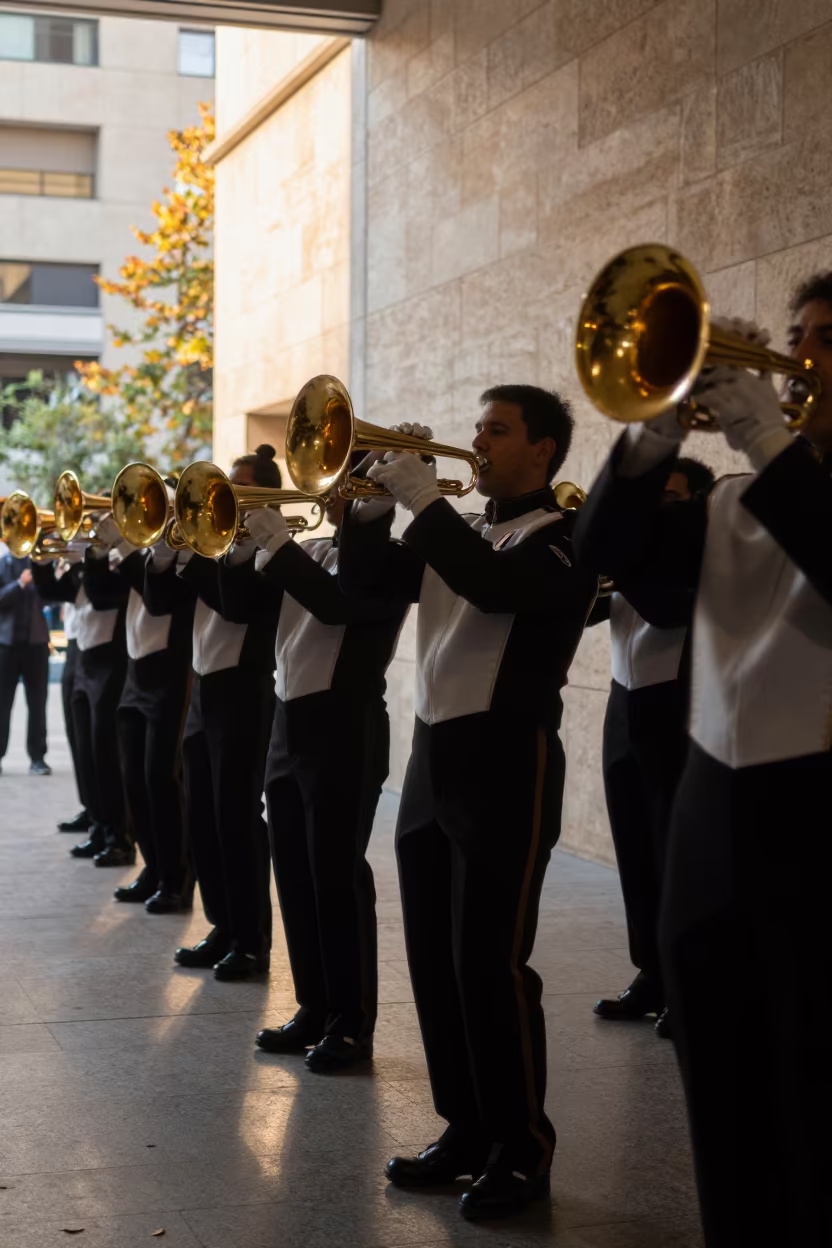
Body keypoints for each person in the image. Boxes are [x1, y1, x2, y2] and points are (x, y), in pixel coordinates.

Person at [573, 295, 832, 1248]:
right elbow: (599, 552)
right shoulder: (727, 499)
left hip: (816, 829)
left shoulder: (773, 475)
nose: (800, 356)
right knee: (722, 1101)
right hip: (711, 823)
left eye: (826, 340)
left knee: (813, 1101)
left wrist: (766, 434)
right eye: (794, 338)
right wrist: (647, 443)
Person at [338, 387, 597, 1220]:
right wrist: (375, 507)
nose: (477, 440)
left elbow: (491, 589)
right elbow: (370, 586)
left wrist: (419, 499)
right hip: (432, 758)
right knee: (434, 960)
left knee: (490, 963)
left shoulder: (562, 541)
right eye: (478, 425)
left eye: (497, 429)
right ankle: (465, 1127)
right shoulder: (469, 526)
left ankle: (522, 1149)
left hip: (505, 761)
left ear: (544, 451)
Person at [236, 468, 409, 1073]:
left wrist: (281, 543)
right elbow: (239, 606)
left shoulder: (389, 560)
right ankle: (314, 1005)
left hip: (346, 723)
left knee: (336, 876)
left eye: (351, 484)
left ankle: (351, 1024)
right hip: (289, 720)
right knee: (295, 873)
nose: (334, 493)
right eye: (336, 481)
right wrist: (245, 542)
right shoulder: (310, 547)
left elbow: (338, 606)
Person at [590, 458, 714, 1038]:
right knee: (635, 847)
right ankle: (651, 973)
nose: (654, 513)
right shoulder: (633, 558)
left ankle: (690, 985)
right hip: (623, 703)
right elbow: (585, 608)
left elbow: (668, 612)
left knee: (673, 853)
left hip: (675, 707)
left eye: (668, 498)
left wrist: (619, 556)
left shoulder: (703, 557)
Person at [154, 446, 278, 981]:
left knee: (236, 818)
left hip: (245, 692)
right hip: (205, 688)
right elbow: (161, 601)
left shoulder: (265, 549)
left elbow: (235, 603)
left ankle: (250, 941)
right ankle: (221, 925)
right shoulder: (217, 545)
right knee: (200, 815)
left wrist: (204, 553)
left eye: (241, 488)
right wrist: (168, 551)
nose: (228, 496)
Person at [85, 504, 195, 912]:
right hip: (135, 670)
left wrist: (128, 548)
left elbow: (156, 599)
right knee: (134, 780)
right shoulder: (142, 550)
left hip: (169, 669)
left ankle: (177, 879)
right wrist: (96, 551)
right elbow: (98, 594)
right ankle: (153, 868)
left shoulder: (181, 550)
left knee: (161, 780)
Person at [68, 521, 133, 866]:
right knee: (88, 752)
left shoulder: (127, 559)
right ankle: (99, 826)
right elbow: (52, 590)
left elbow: (102, 594)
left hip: (113, 660)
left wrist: (96, 553)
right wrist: (45, 557)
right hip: (85, 659)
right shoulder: (99, 559)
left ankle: (118, 837)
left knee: (106, 754)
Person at [31, 556, 91, 828]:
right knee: (77, 734)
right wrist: (40, 560)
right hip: (75, 645)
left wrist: (89, 555)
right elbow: (49, 591)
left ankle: (111, 822)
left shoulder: (109, 558)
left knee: (97, 742)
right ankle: (92, 807)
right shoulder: (78, 565)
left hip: (99, 647)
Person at [0, 549, 51, 776]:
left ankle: (38, 758)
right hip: (6, 645)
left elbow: (52, 597)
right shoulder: (3, 564)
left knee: (38, 704)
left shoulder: (40, 563)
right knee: (1, 705)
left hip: (36, 644)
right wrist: (19, 584)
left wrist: (48, 577)